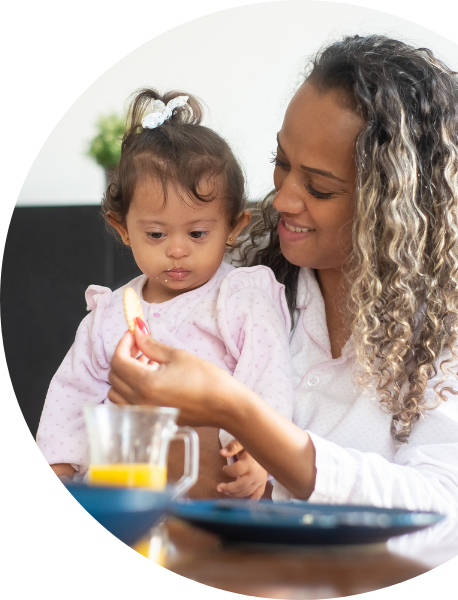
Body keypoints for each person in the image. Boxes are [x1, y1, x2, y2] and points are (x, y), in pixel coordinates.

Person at [107, 36, 458, 518]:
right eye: (282, 164)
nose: (281, 201)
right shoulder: (249, 287)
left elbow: (453, 513)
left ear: (396, 206)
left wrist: (239, 413)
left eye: (318, 188)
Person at [36, 89, 294, 499]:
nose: (177, 249)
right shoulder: (109, 313)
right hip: (124, 494)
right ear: (122, 228)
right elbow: (73, 394)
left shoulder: (241, 299)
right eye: (156, 234)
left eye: (197, 233)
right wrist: (62, 465)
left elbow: (269, 382)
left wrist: (260, 455)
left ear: (233, 226)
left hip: (213, 491)